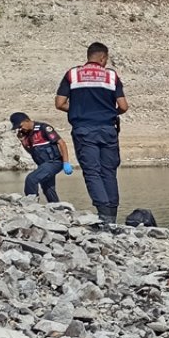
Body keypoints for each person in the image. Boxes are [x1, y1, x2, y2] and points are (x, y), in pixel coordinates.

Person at [55, 42, 128, 224]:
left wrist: (80, 110)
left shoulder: (72, 74)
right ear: (103, 58)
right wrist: (108, 113)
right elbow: (124, 106)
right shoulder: (111, 75)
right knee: (109, 172)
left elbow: (60, 103)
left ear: (90, 56)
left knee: (92, 172)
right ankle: (112, 218)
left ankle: (103, 217)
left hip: (84, 130)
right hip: (108, 129)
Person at [10, 112, 72, 203]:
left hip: (54, 162)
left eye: (21, 126)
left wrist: (66, 162)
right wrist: (23, 141)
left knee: (31, 179)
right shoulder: (27, 135)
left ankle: (31, 204)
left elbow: (61, 143)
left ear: (27, 121)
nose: (20, 129)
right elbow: (32, 152)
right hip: (43, 165)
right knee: (48, 188)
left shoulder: (43, 128)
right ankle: (58, 209)